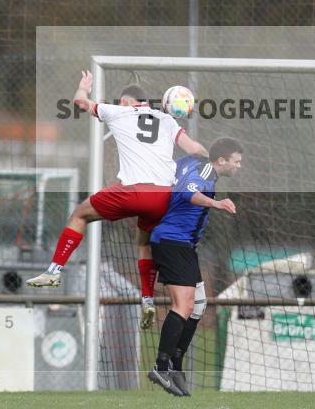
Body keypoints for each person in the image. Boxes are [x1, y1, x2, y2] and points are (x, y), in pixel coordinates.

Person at [27, 72, 207, 331]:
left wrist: (83, 87)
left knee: (79, 214)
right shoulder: (167, 120)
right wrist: (211, 160)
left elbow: (80, 102)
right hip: (163, 197)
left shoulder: (118, 111)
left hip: (132, 192)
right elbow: (194, 149)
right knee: (143, 242)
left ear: (124, 101)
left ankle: (54, 271)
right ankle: (147, 298)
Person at [146, 137, 243, 397]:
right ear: (222, 161)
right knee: (183, 305)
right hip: (172, 242)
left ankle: (175, 364)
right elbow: (188, 193)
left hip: (182, 245)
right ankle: (161, 367)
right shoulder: (205, 172)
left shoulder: (193, 162)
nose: (239, 166)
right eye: (236, 161)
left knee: (198, 305)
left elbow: (180, 166)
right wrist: (216, 203)